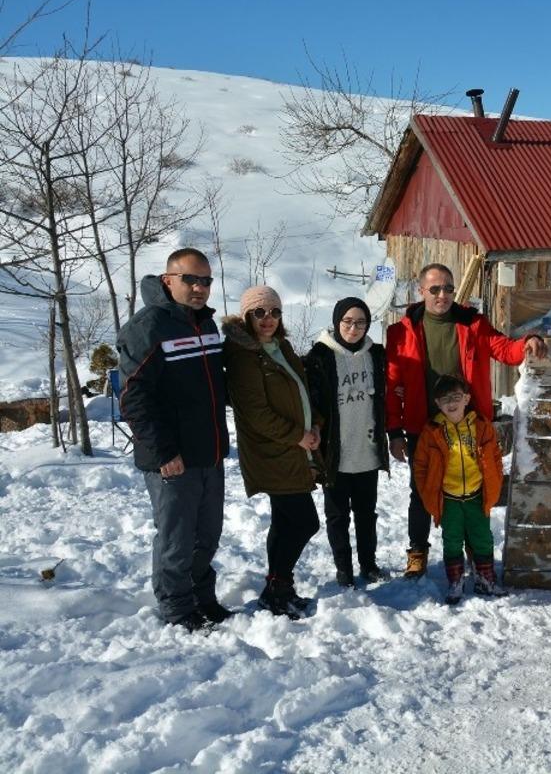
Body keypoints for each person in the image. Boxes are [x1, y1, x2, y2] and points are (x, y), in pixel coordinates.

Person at [385, 263, 546, 580]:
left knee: (472, 489)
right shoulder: (400, 332)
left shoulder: (473, 323)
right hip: (424, 425)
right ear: (421, 291)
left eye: (447, 288)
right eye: (434, 289)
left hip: (468, 424)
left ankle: (474, 548)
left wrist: (529, 340)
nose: (442, 295)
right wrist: (395, 432)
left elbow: (504, 348)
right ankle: (417, 552)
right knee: (421, 491)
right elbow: (392, 386)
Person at [117, 248, 231, 632]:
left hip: (209, 451)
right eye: (190, 280)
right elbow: (133, 396)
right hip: (173, 457)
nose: (199, 288)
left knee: (208, 534)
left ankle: (201, 595)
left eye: (205, 281)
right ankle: (177, 607)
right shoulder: (149, 326)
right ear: (168, 280)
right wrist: (164, 451)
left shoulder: (205, 324)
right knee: (176, 538)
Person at [223, 286, 323, 619]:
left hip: (295, 448)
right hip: (273, 451)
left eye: (275, 312)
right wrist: (298, 436)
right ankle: (278, 586)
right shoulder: (243, 354)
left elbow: (301, 392)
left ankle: (277, 591)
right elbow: (256, 412)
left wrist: (315, 426)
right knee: (305, 521)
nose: (268, 320)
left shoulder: (281, 346)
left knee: (284, 522)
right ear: (246, 315)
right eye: (259, 313)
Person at [305, 297, 389, 588]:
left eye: (361, 322)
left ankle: (369, 564)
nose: (354, 328)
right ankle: (344, 569)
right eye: (348, 322)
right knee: (337, 516)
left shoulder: (376, 354)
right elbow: (310, 400)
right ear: (337, 321)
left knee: (367, 514)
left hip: (366, 450)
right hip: (336, 453)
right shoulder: (320, 356)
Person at [412, 375, 506, 605]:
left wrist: (494, 482)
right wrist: (428, 494)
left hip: (476, 495)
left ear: (466, 398)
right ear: (438, 404)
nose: (451, 403)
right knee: (452, 539)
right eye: (445, 399)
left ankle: (485, 578)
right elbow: (421, 466)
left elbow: (494, 457)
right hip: (449, 498)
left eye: (456, 397)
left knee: (482, 538)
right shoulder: (432, 431)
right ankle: (455, 581)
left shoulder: (481, 426)